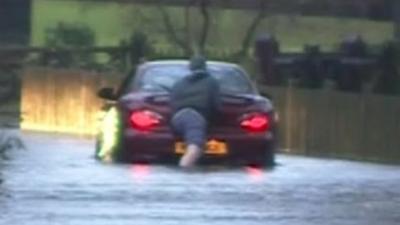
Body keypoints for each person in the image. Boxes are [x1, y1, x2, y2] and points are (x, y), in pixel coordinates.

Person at [170, 55, 221, 168]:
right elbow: (216, 106)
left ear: (190, 68)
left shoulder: (179, 83)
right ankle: (183, 173)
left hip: (177, 118)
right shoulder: (211, 82)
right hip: (194, 117)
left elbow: (172, 102)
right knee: (194, 149)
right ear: (205, 67)